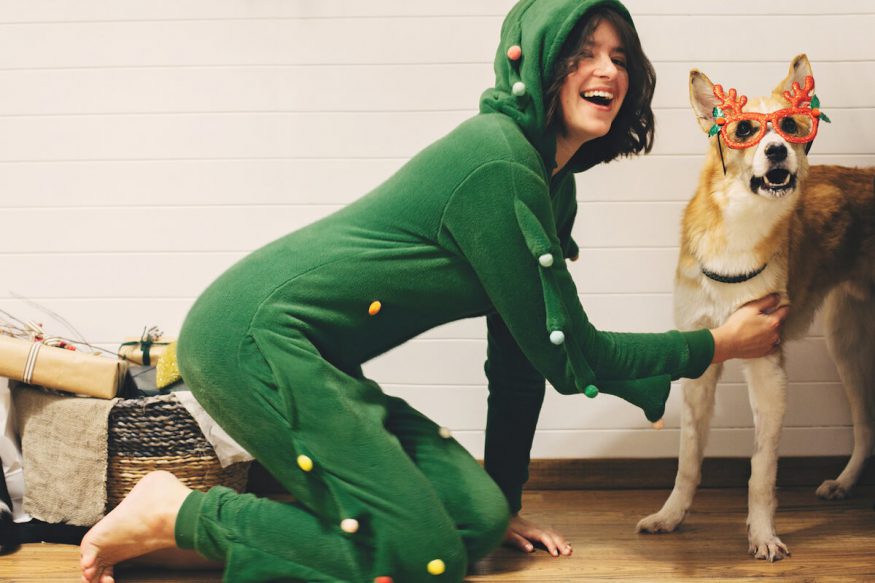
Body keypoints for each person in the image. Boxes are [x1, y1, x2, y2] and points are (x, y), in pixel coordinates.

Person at [79, 0, 788, 581]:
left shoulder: (549, 185)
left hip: (314, 357)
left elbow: (518, 360)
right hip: (252, 340)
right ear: (532, 61)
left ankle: (242, 531)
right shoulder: (497, 163)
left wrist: (505, 501)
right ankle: (176, 511)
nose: (605, 70)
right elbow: (571, 352)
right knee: (427, 556)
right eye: (580, 51)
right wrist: (714, 343)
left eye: (619, 57)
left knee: (473, 520)